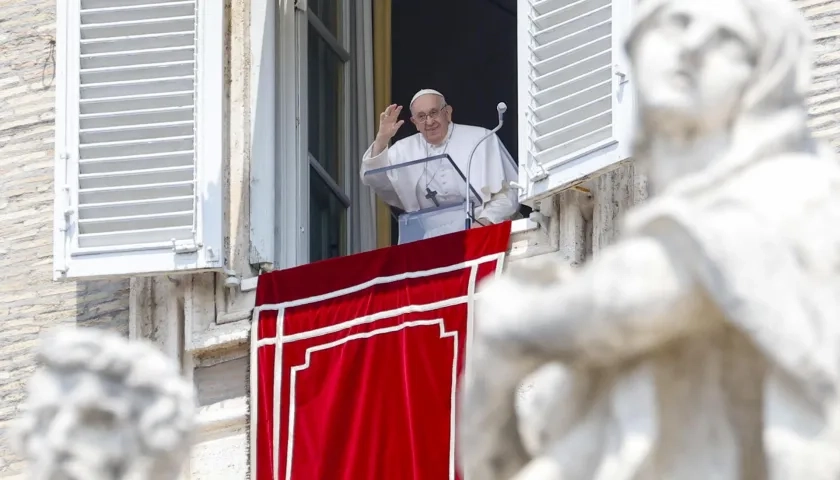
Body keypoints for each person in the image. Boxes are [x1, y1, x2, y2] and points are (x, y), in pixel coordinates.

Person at [458, 0, 840, 479]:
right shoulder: (686, 204)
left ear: (763, 75)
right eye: (676, 24)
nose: (692, 47)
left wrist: (522, 320)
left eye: (726, 39)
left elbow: (640, 297)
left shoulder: (788, 188)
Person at [360, 89, 518, 240]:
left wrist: (486, 220)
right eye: (421, 116)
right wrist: (381, 139)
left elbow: (510, 193)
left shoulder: (481, 138)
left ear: (447, 113)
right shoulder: (403, 150)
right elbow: (374, 180)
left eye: (434, 112)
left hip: (480, 231)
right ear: (414, 122)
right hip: (432, 240)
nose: (429, 121)